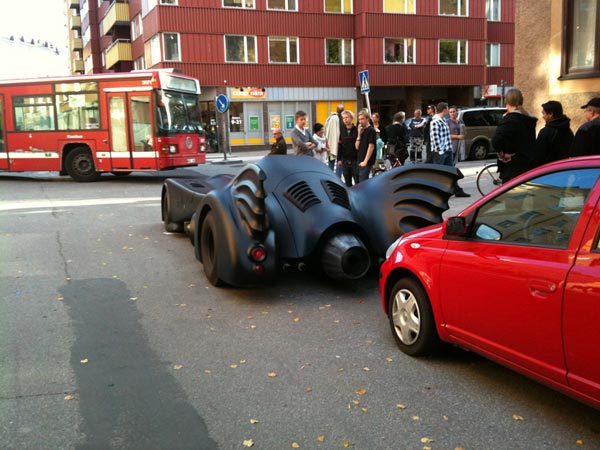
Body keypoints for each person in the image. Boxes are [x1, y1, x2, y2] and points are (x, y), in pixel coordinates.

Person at [491, 88, 538, 182]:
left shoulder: (510, 120)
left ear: (506, 102)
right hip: (528, 165)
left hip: (512, 168)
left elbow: (496, 141)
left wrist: (501, 155)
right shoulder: (528, 118)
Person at [430, 102, 470, 197]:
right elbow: (435, 138)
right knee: (440, 174)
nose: (448, 111)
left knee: (451, 172)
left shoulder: (443, 120)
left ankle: (457, 191)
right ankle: (436, 193)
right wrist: (441, 152)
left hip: (447, 150)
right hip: (441, 152)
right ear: (444, 110)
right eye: (448, 109)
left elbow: (445, 136)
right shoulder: (435, 121)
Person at [337, 110, 359, 187]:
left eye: (347, 117)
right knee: (347, 182)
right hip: (345, 161)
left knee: (357, 182)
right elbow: (340, 145)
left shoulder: (357, 130)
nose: (345, 120)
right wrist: (339, 159)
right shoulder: (342, 131)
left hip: (355, 161)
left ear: (352, 118)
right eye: (343, 118)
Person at [355, 109, 377, 183]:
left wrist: (365, 161)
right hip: (359, 160)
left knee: (363, 183)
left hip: (366, 162)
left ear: (367, 119)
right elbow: (356, 147)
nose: (360, 121)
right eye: (359, 119)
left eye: (362, 119)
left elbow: (371, 147)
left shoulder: (371, 130)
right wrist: (359, 134)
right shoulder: (362, 130)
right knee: (358, 183)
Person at [325, 104, 344, 172]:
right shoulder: (339, 118)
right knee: (340, 161)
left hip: (330, 143)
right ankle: (337, 178)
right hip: (338, 143)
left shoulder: (330, 118)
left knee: (331, 161)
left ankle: (331, 177)